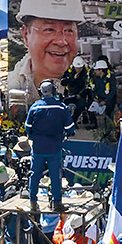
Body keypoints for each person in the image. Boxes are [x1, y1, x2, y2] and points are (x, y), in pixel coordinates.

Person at [8, 0, 85, 102]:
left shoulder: (83, 83)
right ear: (26, 34)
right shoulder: (11, 86)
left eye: (69, 30)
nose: (61, 41)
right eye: (49, 30)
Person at [25, 79, 75, 212]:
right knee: (55, 175)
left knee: (35, 174)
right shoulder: (61, 107)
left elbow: (28, 127)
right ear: (53, 91)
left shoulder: (35, 107)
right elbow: (70, 127)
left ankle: (33, 202)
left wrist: (32, 137)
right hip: (54, 148)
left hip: (38, 148)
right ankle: (57, 203)